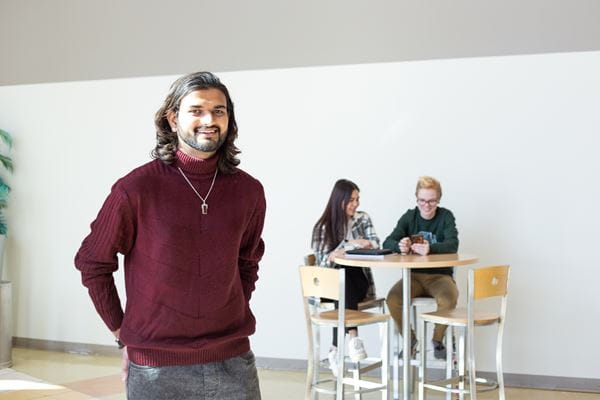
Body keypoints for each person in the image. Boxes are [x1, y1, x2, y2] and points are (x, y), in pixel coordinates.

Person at [75, 72, 266, 400]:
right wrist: (123, 332)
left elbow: (247, 264)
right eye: (196, 110)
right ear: (173, 118)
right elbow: (92, 262)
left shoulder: (249, 191)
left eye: (219, 111)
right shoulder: (135, 189)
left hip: (233, 364)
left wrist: (226, 310)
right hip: (155, 371)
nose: (209, 120)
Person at [383, 176, 458, 360]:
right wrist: (399, 245)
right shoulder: (409, 217)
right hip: (413, 276)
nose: (426, 205)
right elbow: (388, 241)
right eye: (422, 200)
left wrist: (430, 248)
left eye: (432, 201)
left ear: (438, 200)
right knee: (393, 299)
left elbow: (452, 244)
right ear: (416, 198)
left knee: (449, 299)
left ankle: (437, 340)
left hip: (440, 277)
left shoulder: (446, 216)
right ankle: (410, 340)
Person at [311, 179, 380, 374]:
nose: (356, 204)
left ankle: (336, 348)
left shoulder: (362, 218)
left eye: (357, 199)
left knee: (347, 275)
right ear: (338, 200)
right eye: (351, 200)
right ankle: (353, 338)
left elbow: (375, 243)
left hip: (359, 283)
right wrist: (336, 254)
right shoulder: (323, 228)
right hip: (330, 287)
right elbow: (321, 265)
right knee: (340, 276)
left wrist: (359, 244)